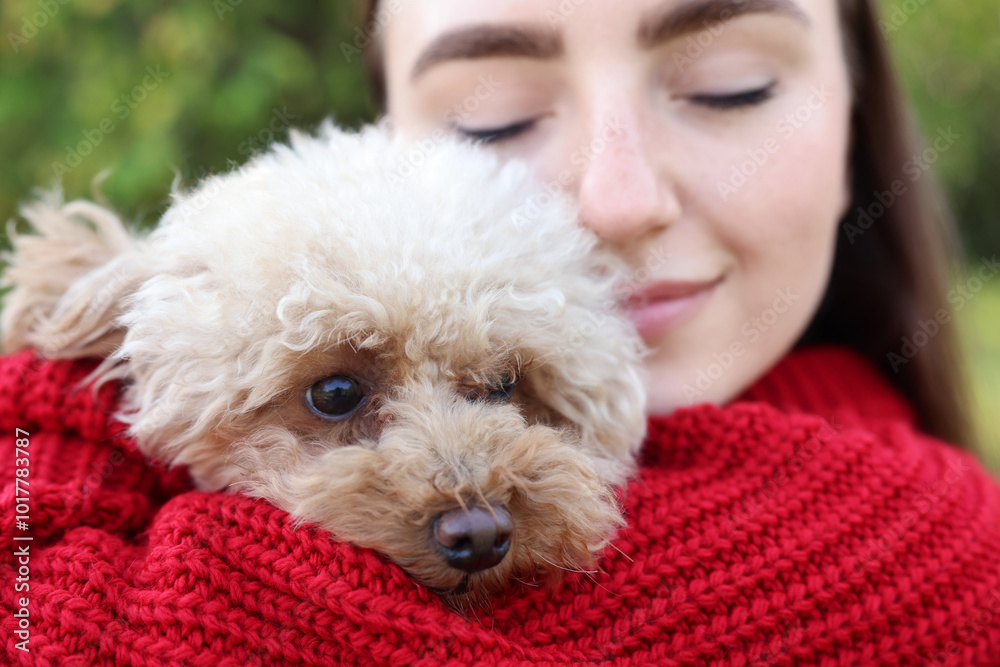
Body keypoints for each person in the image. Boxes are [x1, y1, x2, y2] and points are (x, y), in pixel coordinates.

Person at [2, 1, 999, 665]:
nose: (617, 203)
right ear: (388, 118)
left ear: (858, 127)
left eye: (727, 85)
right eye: (493, 116)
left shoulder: (931, 557)